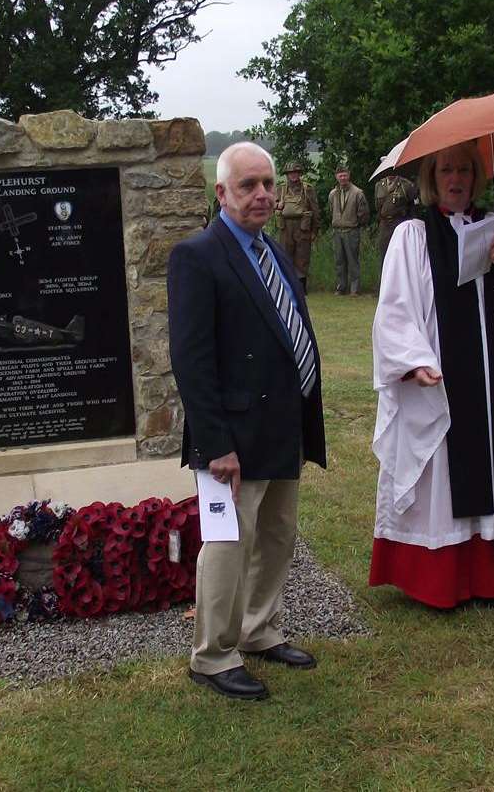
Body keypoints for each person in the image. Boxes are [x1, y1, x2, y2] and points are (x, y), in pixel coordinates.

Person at [168, 142, 327, 701]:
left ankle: (260, 630)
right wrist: (215, 443)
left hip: (282, 427)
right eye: (248, 185)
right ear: (221, 193)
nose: (262, 194)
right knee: (230, 543)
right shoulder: (197, 256)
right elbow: (191, 359)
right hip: (231, 437)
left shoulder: (275, 251)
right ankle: (212, 655)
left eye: (267, 183)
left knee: (278, 536)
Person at [369, 140, 494, 609]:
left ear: (476, 176)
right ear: (432, 177)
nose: (456, 179)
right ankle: (438, 579)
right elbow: (395, 309)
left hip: (488, 383)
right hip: (440, 381)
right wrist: (414, 360)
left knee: (489, 466)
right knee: (440, 475)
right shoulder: (412, 236)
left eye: (465, 170)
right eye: (446, 169)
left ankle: (483, 576)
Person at [272, 161, 321, 293]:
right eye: (290, 173)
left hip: (302, 227)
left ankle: (301, 287)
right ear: (287, 175)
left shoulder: (308, 189)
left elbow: (315, 210)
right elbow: (271, 206)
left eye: (295, 173)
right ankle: (287, 286)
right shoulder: (280, 189)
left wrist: (315, 230)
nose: (293, 175)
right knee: (285, 256)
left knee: (302, 257)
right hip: (285, 227)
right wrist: (278, 206)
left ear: (299, 174)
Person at [328, 165, 369, 295]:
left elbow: (363, 214)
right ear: (336, 177)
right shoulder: (332, 194)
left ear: (349, 175)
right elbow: (331, 209)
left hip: (352, 231)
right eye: (340, 175)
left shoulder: (358, 193)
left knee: (353, 261)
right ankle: (341, 287)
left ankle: (355, 289)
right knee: (339, 261)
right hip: (337, 231)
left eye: (345, 175)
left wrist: (356, 226)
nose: (343, 177)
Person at [373, 172, 418, 267]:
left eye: (392, 170)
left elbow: (413, 207)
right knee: (384, 255)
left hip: (400, 223)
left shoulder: (406, 185)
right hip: (384, 225)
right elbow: (377, 206)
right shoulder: (379, 185)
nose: (390, 173)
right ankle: (384, 280)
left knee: (401, 255)